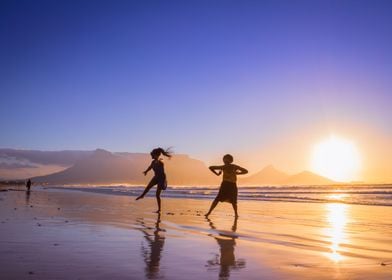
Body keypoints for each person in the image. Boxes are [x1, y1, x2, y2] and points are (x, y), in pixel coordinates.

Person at [136, 147, 172, 213]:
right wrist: (146, 171)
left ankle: (159, 210)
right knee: (148, 187)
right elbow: (150, 167)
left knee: (157, 195)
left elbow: (161, 169)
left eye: (152, 155)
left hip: (161, 178)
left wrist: (163, 182)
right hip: (156, 177)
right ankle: (142, 196)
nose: (151, 156)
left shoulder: (160, 162)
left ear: (156, 155)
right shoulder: (153, 162)